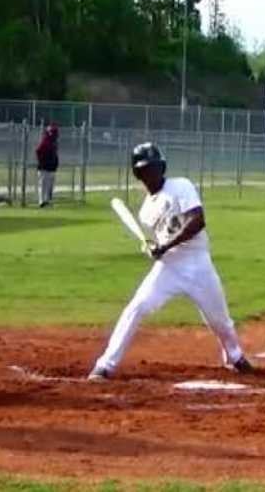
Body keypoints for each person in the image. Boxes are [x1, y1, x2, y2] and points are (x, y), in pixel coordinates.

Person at [88, 142, 253, 380]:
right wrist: (154, 248)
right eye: (146, 169)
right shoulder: (145, 212)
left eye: (155, 167)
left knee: (220, 321)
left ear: (162, 167)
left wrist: (164, 246)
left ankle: (234, 355)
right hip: (170, 267)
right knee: (137, 307)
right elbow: (160, 240)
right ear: (138, 173)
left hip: (199, 262)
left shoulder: (181, 186)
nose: (152, 173)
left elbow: (197, 221)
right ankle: (106, 364)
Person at [35, 123, 59, 208]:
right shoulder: (45, 141)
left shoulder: (54, 143)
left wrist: (55, 163)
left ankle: (46, 200)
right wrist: (42, 162)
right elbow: (38, 151)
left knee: (49, 186)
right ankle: (42, 201)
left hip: (51, 168)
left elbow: (54, 155)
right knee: (43, 184)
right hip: (44, 168)